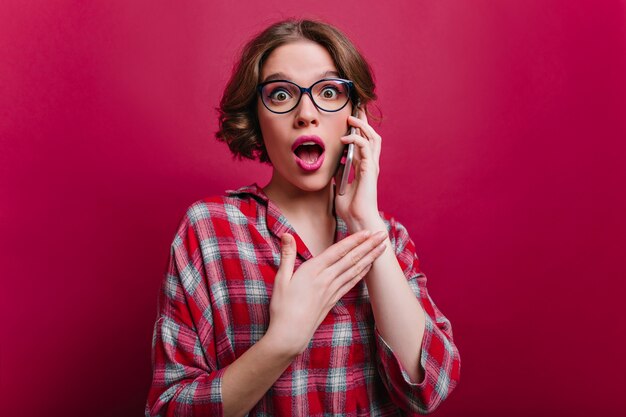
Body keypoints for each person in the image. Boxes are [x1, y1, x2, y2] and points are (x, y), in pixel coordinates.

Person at [145, 18, 460, 417]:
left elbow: (428, 388)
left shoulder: (389, 238)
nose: (307, 113)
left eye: (329, 92)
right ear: (257, 118)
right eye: (280, 95)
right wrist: (281, 343)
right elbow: (169, 409)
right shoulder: (209, 231)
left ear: (356, 115)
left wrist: (364, 221)